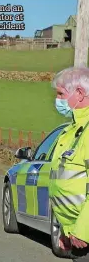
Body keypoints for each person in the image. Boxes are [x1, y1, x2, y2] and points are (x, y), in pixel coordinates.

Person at [48, 67, 89, 262]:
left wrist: (82, 230)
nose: (57, 100)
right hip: (77, 235)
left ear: (80, 94)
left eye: (61, 94)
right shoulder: (72, 131)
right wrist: (67, 230)